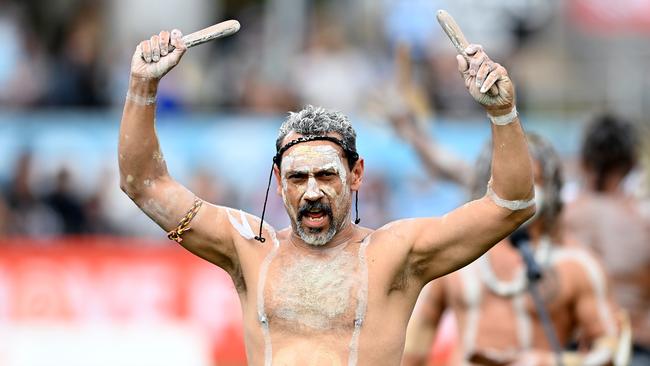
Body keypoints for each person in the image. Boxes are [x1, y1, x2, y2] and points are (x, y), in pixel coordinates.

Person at [118, 24, 535, 365]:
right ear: (278, 180)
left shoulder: (394, 253)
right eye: (298, 178)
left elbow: (510, 206)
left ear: (355, 175)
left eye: (326, 175)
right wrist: (142, 85)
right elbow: (143, 183)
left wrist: (502, 112)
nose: (312, 192)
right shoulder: (248, 248)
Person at [401, 132, 624, 366]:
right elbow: (414, 346)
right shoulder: (452, 256)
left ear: (550, 187)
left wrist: (545, 362)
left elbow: (611, 352)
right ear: (487, 184)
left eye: (532, 180)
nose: (521, 190)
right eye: (509, 180)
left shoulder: (576, 264)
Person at [564, 115, 650, 366]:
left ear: (583, 161)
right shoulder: (643, 223)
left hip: (574, 351)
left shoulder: (558, 221)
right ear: (633, 165)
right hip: (636, 350)